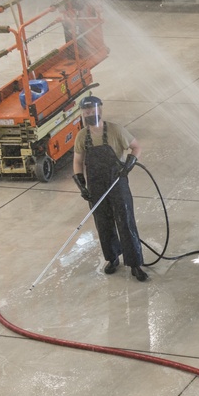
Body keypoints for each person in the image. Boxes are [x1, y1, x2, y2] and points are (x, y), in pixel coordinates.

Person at [71, 95, 149, 282]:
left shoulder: (115, 130)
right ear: (82, 113)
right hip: (96, 186)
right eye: (86, 111)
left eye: (92, 110)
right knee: (103, 224)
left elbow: (136, 147)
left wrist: (129, 163)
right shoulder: (82, 136)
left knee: (125, 222)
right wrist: (81, 185)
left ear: (100, 110)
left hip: (117, 183)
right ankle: (113, 258)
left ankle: (135, 263)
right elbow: (78, 161)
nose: (89, 113)